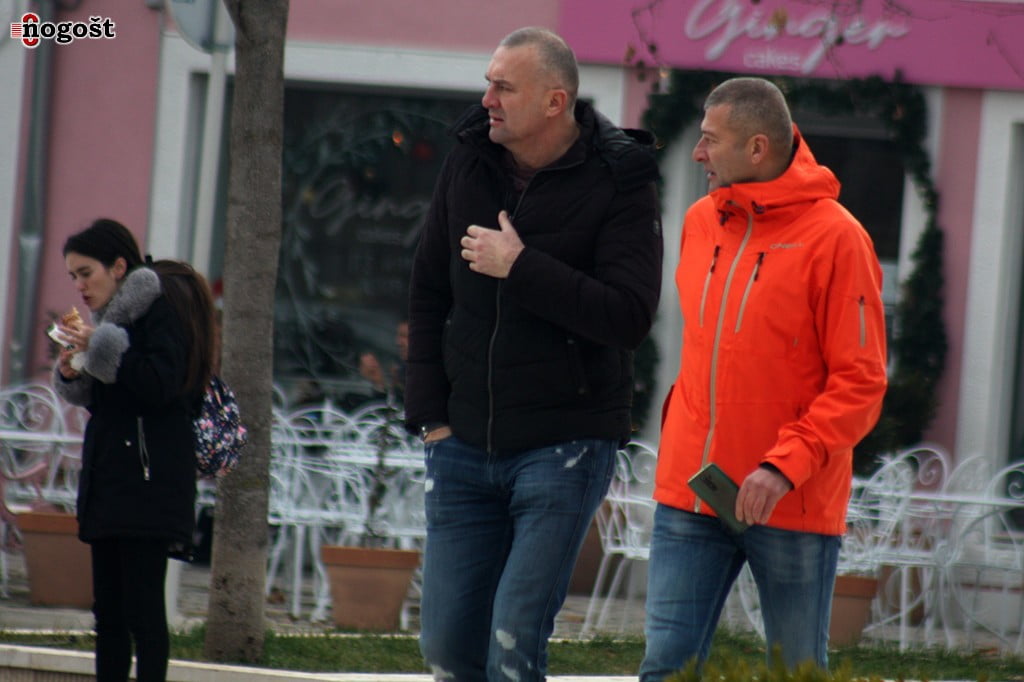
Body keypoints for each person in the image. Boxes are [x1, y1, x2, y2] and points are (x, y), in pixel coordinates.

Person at [404, 26, 662, 681]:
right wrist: (431, 418)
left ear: (555, 102)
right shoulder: (469, 158)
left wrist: (520, 267)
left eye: (504, 87)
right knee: (446, 650)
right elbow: (428, 288)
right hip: (462, 443)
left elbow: (628, 316)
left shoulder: (621, 178)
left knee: (513, 645)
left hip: (563, 446)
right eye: (488, 83)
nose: (486, 99)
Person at [640, 77, 888, 679]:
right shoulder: (702, 221)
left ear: (757, 148)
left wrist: (782, 467)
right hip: (693, 493)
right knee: (666, 667)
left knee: (793, 672)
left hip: (790, 499)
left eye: (710, 140)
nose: (697, 153)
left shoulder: (838, 238)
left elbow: (861, 382)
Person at [51, 219, 213, 682]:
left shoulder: (159, 309)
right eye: (73, 277)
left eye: (86, 273)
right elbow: (111, 399)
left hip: (149, 482)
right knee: (108, 614)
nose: (80, 286)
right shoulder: (111, 321)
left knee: (143, 611)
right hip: (111, 480)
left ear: (119, 267)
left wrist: (100, 347)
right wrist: (74, 370)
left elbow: (162, 385)